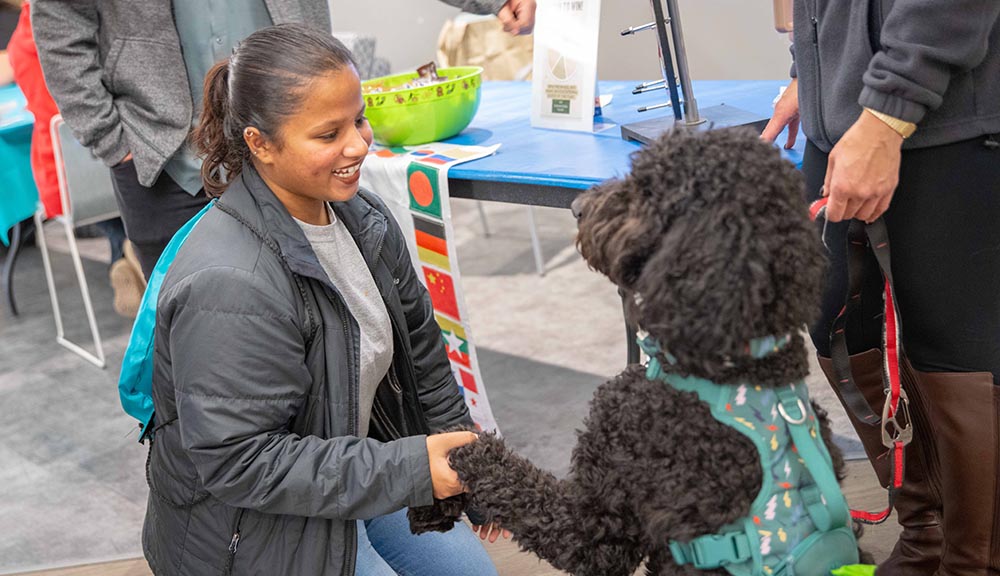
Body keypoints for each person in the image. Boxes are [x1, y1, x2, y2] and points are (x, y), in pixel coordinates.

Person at [141, 24, 508, 576]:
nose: (360, 145)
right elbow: (240, 461)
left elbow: (426, 363)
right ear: (258, 143)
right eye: (327, 133)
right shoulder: (230, 280)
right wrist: (411, 470)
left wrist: (467, 468)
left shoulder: (367, 219)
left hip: (354, 467)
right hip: (254, 526)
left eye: (358, 120)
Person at [30, 0, 535, 280]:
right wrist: (108, 137)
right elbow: (57, 20)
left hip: (300, 154)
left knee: (331, 328)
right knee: (192, 348)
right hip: (163, 157)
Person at [761, 1, 1000, 574]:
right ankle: (929, 534)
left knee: (955, 350)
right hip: (842, 111)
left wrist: (888, 112)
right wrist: (812, 70)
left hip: (943, 118)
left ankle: (976, 561)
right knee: (838, 320)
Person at [6, 0, 144, 317]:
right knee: (121, 196)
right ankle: (129, 251)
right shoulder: (78, 22)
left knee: (98, 200)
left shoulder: (23, 39)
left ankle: (125, 254)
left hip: (63, 174)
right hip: (113, 163)